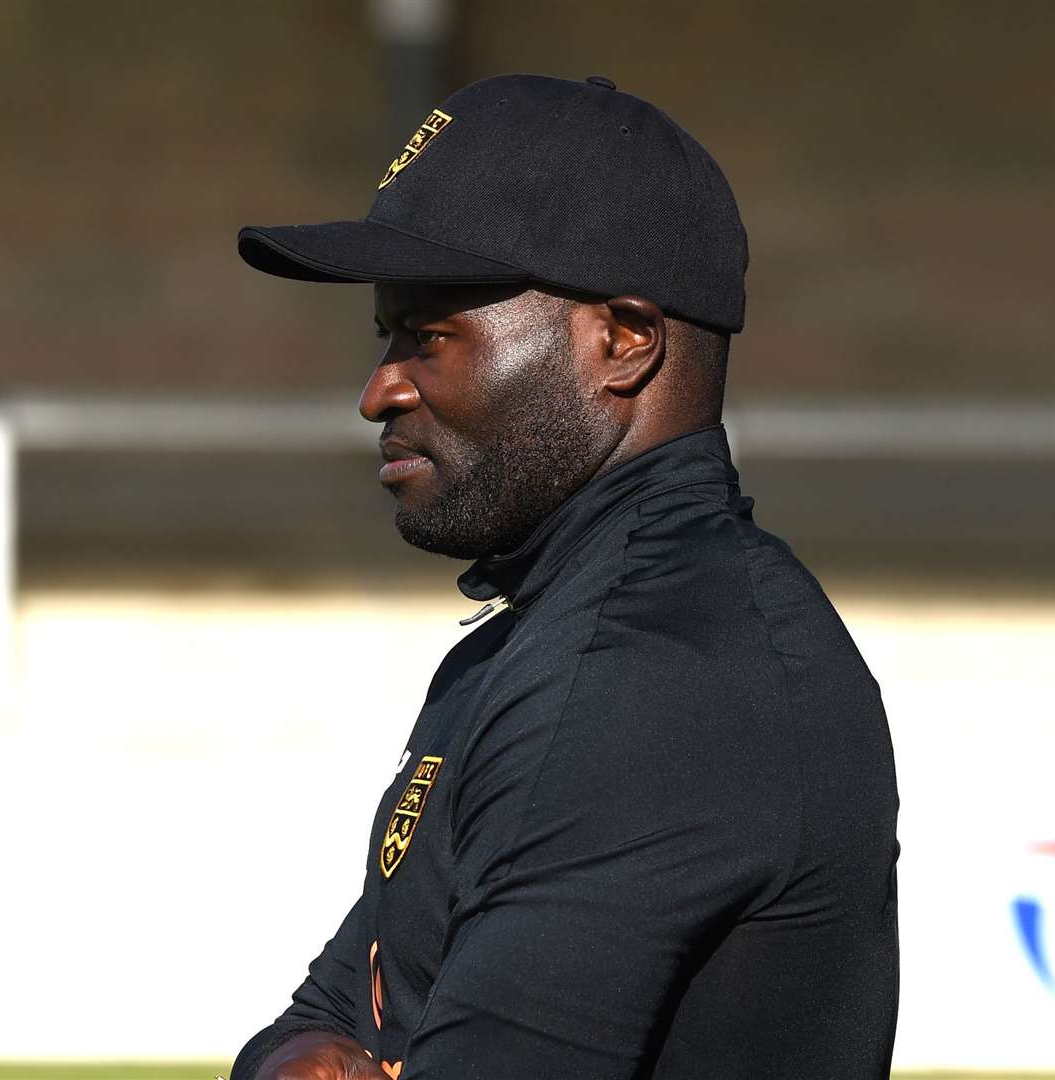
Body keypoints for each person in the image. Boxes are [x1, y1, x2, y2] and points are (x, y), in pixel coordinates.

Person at [228, 73, 899, 1080]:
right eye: (385, 338)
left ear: (621, 341)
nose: (379, 392)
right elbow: (341, 1001)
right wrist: (296, 1060)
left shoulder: (654, 681)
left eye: (429, 334)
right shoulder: (536, 643)